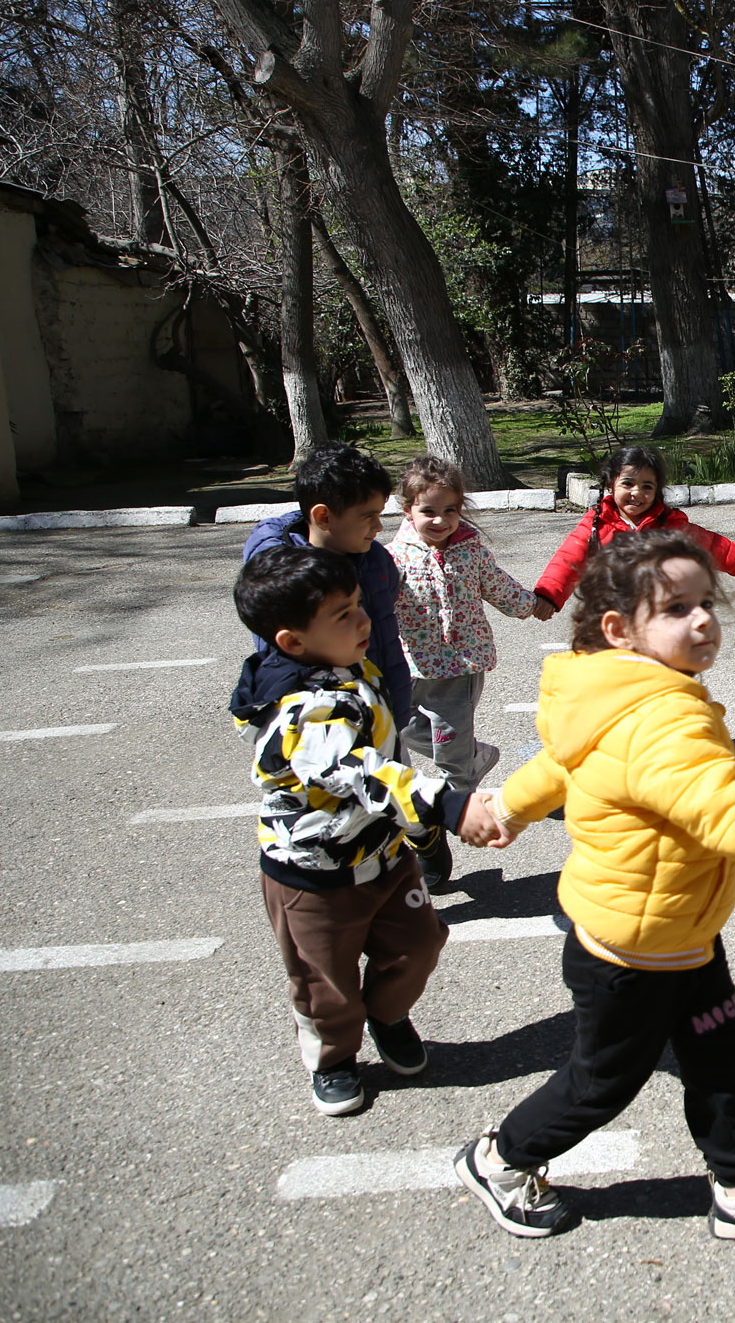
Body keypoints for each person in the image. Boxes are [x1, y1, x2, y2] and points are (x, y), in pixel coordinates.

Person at [450, 530, 735, 1240]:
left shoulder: (621, 695)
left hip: (681, 934)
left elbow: (569, 760)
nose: (703, 618)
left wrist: (504, 807)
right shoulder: (661, 717)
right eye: (678, 607)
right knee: (602, 1082)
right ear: (620, 629)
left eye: (706, 600)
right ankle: (502, 1158)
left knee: (723, 1060)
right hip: (633, 954)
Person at [229, 546, 496, 1117]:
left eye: (357, 604)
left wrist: (415, 831)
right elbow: (361, 771)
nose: (363, 619)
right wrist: (446, 806)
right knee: (324, 977)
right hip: (313, 874)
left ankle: (388, 1012)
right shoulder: (305, 707)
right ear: (292, 643)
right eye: (343, 614)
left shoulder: (349, 668)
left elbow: (388, 748)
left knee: (420, 943)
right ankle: (333, 1058)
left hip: (382, 854)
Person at [388, 456, 543, 886]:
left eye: (450, 510)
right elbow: (373, 603)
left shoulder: (470, 549)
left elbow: (497, 585)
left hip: (459, 666)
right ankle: (479, 757)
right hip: (408, 667)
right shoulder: (392, 557)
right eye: (428, 511)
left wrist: (532, 605)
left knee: (449, 754)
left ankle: (458, 800)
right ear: (407, 511)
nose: (440, 520)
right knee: (402, 732)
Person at [243, 445, 412, 724]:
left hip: (379, 707)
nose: (379, 526)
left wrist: (396, 711)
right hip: (324, 718)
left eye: (380, 514)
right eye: (368, 516)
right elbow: (277, 660)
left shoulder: (377, 562)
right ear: (323, 517)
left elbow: (386, 634)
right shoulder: (284, 581)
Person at [532, 445, 735, 619]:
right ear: (611, 485)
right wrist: (548, 595)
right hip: (610, 619)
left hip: (660, 620)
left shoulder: (669, 526)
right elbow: (567, 559)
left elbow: (713, 546)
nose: (637, 493)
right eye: (628, 484)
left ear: (657, 491)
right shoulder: (596, 524)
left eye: (647, 487)